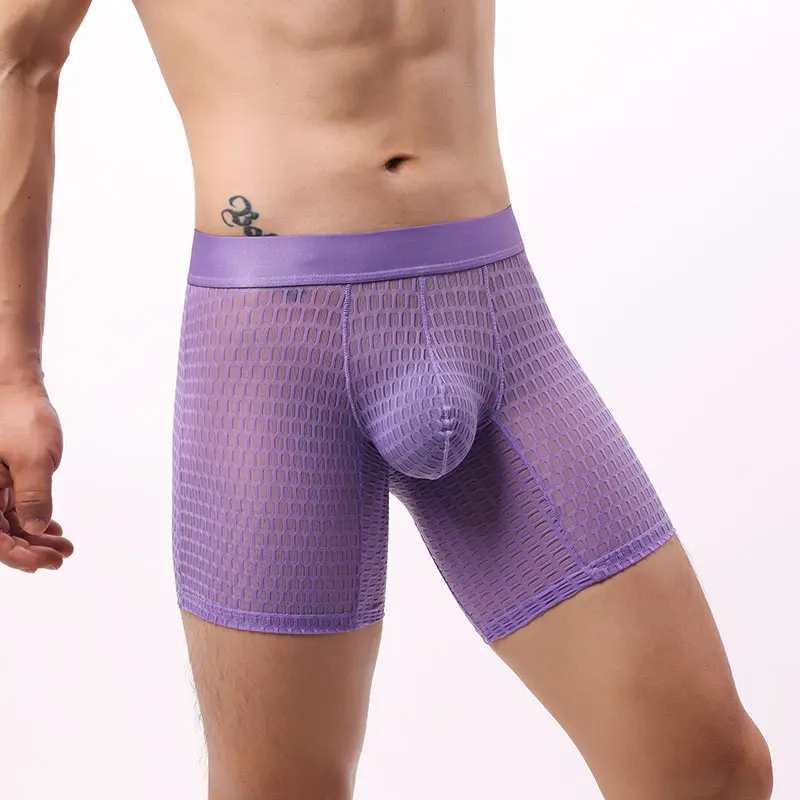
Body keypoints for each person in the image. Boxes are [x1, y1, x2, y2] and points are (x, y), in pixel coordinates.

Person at [0, 2, 773, 799]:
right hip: (274, 351)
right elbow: (19, 56)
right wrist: (12, 377)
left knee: (712, 773)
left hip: (497, 318)